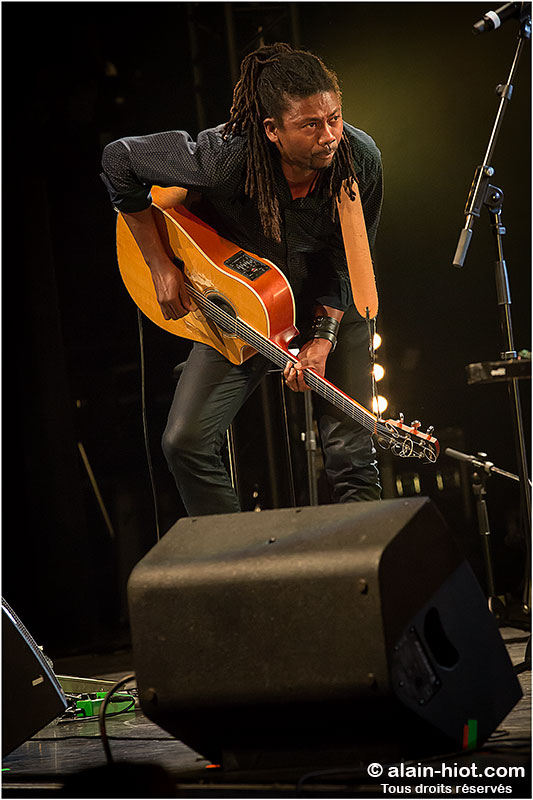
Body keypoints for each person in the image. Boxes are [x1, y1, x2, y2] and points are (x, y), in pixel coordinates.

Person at [101, 42, 383, 516]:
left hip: (331, 299)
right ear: (272, 130)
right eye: (310, 125)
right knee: (184, 442)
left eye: (334, 118)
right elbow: (118, 160)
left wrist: (324, 337)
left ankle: (368, 559)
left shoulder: (360, 159)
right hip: (248, 304)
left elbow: (348, 261)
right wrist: (160, 265)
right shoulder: (225, 157)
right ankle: (236, 553)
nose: (329, 135)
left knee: (351, 456)